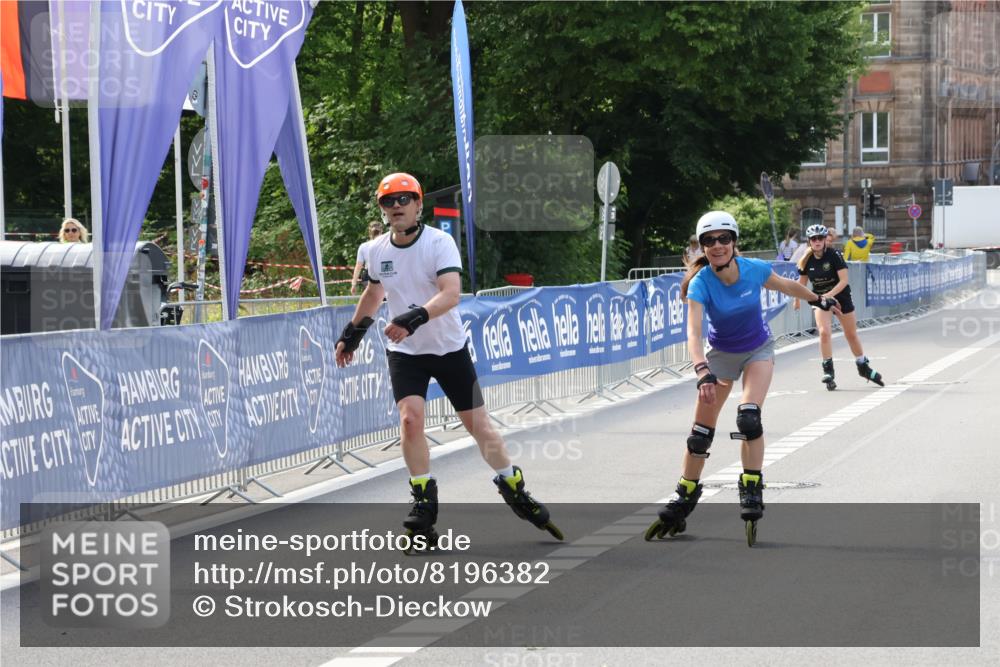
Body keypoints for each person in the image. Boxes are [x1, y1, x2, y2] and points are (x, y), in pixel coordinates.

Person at [335, 172, 562, 547]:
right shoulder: (375, 250)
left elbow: (452, 294)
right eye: (387, 202)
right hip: (406, 353)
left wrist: (412, 317)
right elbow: (375, 294)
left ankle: (513, 484)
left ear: (419, 204)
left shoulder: (438, 243)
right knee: (410, 420)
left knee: (479, 427)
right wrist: (352, 334)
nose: (396, 207)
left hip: (448, 348)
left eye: (404, 199)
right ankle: (424, 504)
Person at [645, 211, 840, 547]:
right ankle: (685, 496)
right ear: (703, 247)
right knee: (699, 436)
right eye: (709, 241)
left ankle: (751, 486)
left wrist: (818, 298)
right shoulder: (701, 282)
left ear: (734, 242)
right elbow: (693, 333)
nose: (717, 246)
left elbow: (787, 285)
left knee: (748, 418)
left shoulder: (752, 269)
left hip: (757, 351)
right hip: (719, 356)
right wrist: (702, 370)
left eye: (723, 239)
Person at [794, 224, 885, 391]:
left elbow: (844, 280)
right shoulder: (806, 260)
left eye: (820, 238)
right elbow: (802, 284)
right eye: (813, 239)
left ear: (824, 240)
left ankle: (863, 366)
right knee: (824, 332)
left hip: (840, 296)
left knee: (850, 334)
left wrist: (830, 296)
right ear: (809, 241)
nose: (817, 241)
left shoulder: (834, 255)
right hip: (821, 300)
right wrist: (797, 299)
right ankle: (828, 371)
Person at [350, 221, 385, 295]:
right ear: (381, 231)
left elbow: (358, 266)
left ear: (369, 232)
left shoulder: (363, 246)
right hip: (384, 273)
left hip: (368, 275)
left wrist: (354, 283)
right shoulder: (386, 244)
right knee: (384, 300)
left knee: (372, 299)